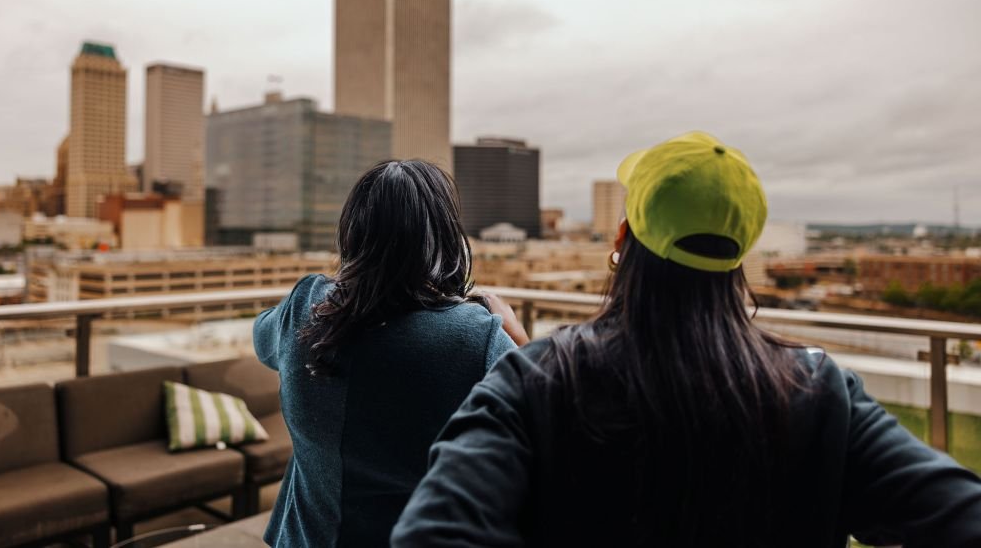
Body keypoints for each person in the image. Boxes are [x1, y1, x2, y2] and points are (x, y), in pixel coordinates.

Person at [392, 132, 981, 547]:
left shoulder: (535, 381)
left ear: (622, 236)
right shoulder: (821, 392)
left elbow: (432, 531)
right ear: (742, 251)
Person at [253, 160, 528, 547]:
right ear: (445, 238)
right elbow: (548, 417)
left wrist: (346, 290)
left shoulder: (305, 308)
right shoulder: (475, 337)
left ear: (353, 234)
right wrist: (514, 331)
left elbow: (262, 340)